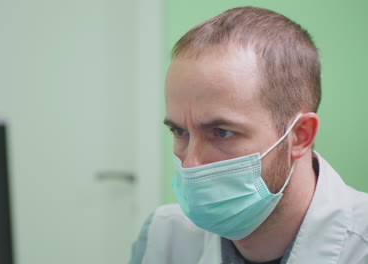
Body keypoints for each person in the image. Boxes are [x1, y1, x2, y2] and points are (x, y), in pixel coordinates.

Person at [130, 6, 368, 264]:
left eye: (222, 132)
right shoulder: (163, 236)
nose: (190, 165)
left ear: (300, 136)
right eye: (179, 131)